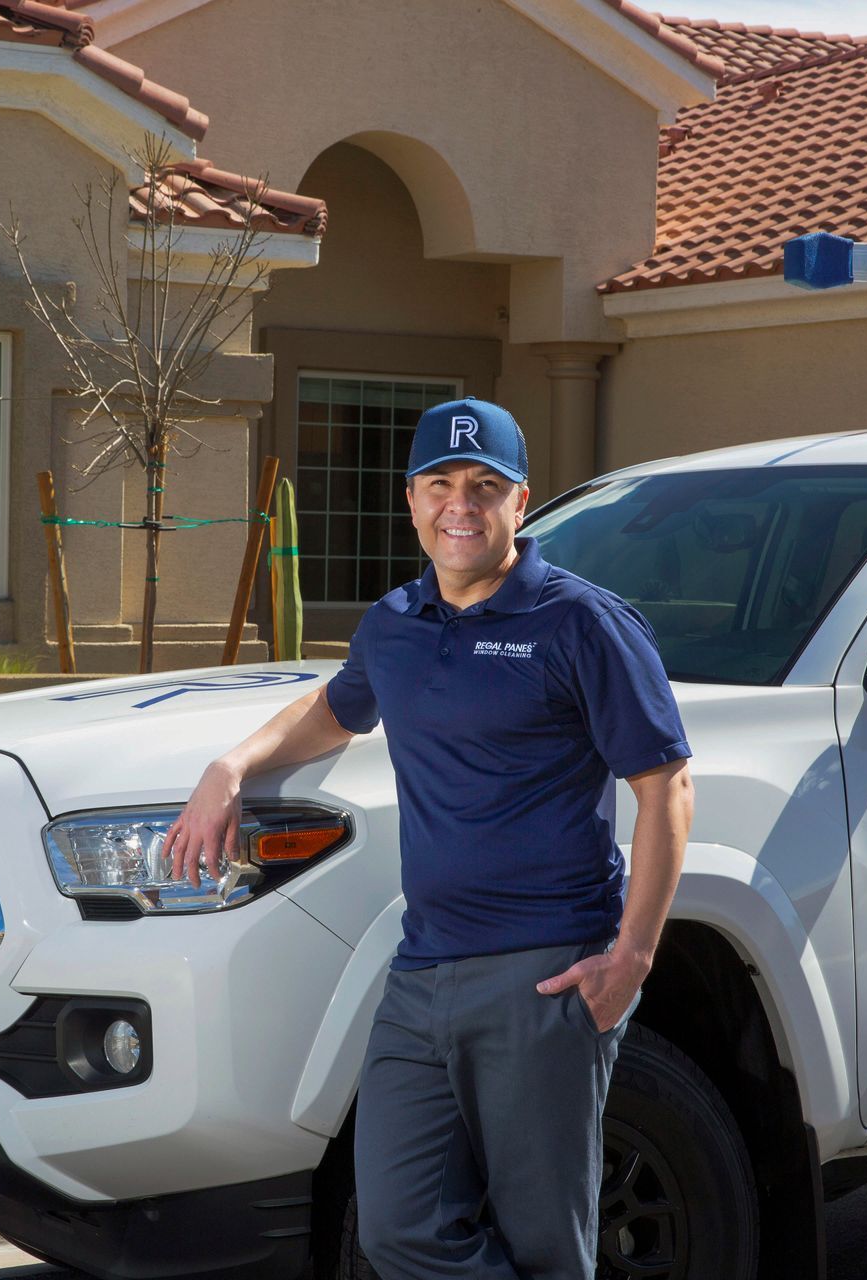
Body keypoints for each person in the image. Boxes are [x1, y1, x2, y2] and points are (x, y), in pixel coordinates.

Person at [165, 397, 693, 1278]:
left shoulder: (583, 623)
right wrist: (232, 767)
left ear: (522, 502)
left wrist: (632, 957)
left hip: (545, 971)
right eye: (441, 483)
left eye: (486, 485)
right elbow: (336, 709)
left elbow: (666, 785)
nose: (462, 504)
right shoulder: (397, 622)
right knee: (399, 1227)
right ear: (410, 500)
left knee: (547, 1247)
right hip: (420, 975)